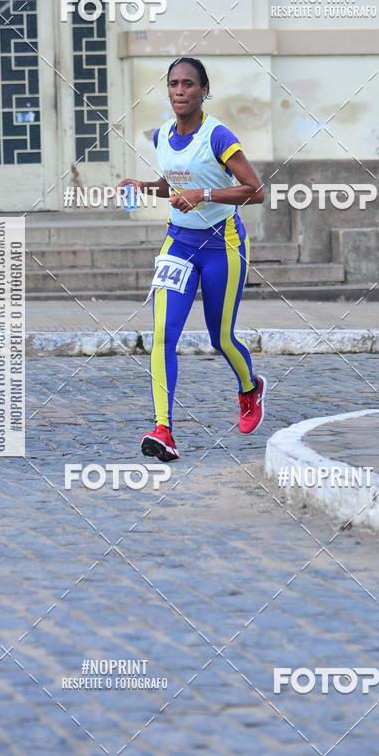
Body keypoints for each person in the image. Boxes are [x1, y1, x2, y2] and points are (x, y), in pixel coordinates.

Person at [118, 57, 266, 462]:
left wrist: (206, 194)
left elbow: (256, 191)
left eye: (188, 84)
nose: (180, 90)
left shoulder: (218, 136)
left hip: (224, 246)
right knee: (164, 335)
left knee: (220, 337)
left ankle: (250, 389)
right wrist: (143, 186)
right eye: (173, 83)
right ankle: (163, 429)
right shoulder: (163, 134)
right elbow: (172, 186)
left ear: (204, 91)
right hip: (178, 246)